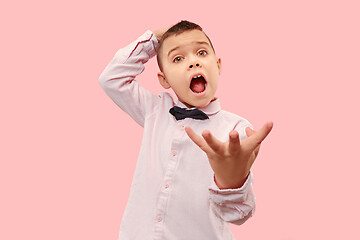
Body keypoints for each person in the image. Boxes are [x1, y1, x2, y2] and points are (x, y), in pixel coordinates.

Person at [98, 20, 273, 240]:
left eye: (201, 52)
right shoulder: (155, 111)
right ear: (164, 79)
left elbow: (237, 215)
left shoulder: (236, 131)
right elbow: (111, 79)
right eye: (178, 58)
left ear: (218, 65)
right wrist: (153, 41)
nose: (193, 63)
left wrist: (232, 181)